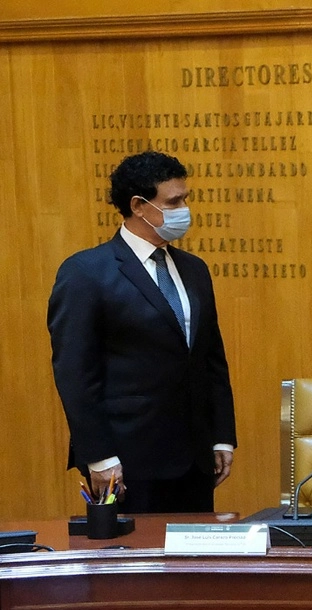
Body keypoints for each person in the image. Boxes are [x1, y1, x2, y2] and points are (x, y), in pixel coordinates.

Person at [48, 151, 236, 513]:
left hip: (195, 461)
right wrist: (99, 456)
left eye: (185, 198)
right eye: (174, 201)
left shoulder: (194, 269)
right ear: (139, 206)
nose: (184, 209)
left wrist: (222, 436)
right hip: (127, 462)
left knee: (192, 567)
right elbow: (75, 375)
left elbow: (211, 358)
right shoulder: (86, 272)